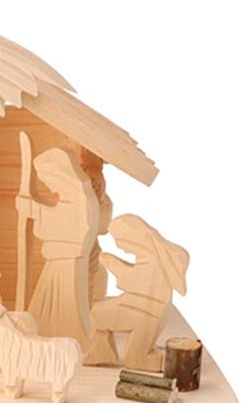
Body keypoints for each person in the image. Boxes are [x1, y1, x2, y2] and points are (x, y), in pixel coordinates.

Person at [16, 148, 98, 350]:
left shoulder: (81, 201)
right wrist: (33, 208)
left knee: (67, 303)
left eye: (48, 179)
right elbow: (57, 218)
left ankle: (71, 337)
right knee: (45, 305)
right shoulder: (74, 199)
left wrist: (33, 209)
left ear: (60, 176)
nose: (48, 185)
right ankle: (41, 331)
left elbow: (68, 226)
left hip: (67, 264)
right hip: (57, 263)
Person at [86, 215, 190, 371]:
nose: (118, 246)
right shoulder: (151, 257)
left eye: (119, 240)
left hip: (143, 313)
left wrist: (111, 263)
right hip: (137, 307)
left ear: (132, 240)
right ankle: (102, 353)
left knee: (137, 359)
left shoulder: (152, 261)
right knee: (96, 313)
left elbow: (131, 281)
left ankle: (174, 362)